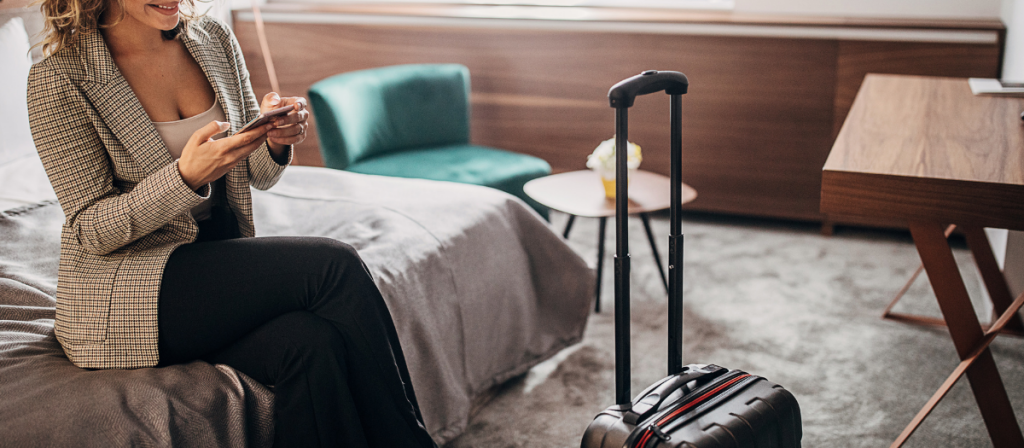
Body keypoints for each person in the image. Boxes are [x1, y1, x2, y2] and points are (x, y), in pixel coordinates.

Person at [27, 0, 437, 446]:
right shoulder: (59, 78)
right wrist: (186, 177)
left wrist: (276, 140)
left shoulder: (212, 40)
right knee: (332, 265)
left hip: (211, 260)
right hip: (126, 289)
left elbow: (258, 174)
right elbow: (93, 229)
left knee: (312, 344)